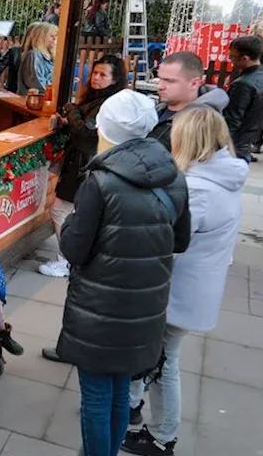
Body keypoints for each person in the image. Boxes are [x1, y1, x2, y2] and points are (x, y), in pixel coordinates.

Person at [47, 90, 190, 456]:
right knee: (115, 395)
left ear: (106, 130)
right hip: (145, 305)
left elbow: (74, 246)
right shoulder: (173, 175)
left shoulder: (100, 182)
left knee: (96, 395)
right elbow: (180, 241)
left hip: (100, 305)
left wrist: (72, 222)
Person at [121, 107, 246, 456]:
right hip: (192, 290)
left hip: (178, 294)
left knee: (163, 364)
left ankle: (163, 437)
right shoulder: (223, 176)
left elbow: (168, 244)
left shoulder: (197, 188)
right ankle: (133, 408)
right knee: (159, 358)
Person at [39, 55, 129, 282]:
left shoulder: (106, 103)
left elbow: (86, 132)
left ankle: (66, 259)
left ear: (115, 79)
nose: (96, 78)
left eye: (103, 75)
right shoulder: (100, 99)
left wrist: (71, 109)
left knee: (61, 209)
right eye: (95, 73)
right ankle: (73, 256)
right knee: (72, 210)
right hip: (84, 162)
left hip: (84, 163)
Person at [147, 51, 229, 152]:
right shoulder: (155, 111)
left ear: (194, 84)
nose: (160, 86)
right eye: (160, 79)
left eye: (169, 81)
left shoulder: (203, 126)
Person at [220, 36, 263, 162]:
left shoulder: (243, 84)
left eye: (232, 57)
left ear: (245, 58)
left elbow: (232, 120)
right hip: (246, 141)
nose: (231, 61)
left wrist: (219, 145)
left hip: (235, 145)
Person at [18, 21, 57, 94]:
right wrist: (57, 86)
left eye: (56, 36)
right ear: (41, 37)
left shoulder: (50, 57)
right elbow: (36, 83)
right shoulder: (34, 55)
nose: (55, 39)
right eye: (51, 36)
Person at [251, 20, 263, 154]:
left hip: (258, 81)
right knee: (259, 112)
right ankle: (254, 142)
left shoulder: (256, 43)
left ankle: (254, 142)